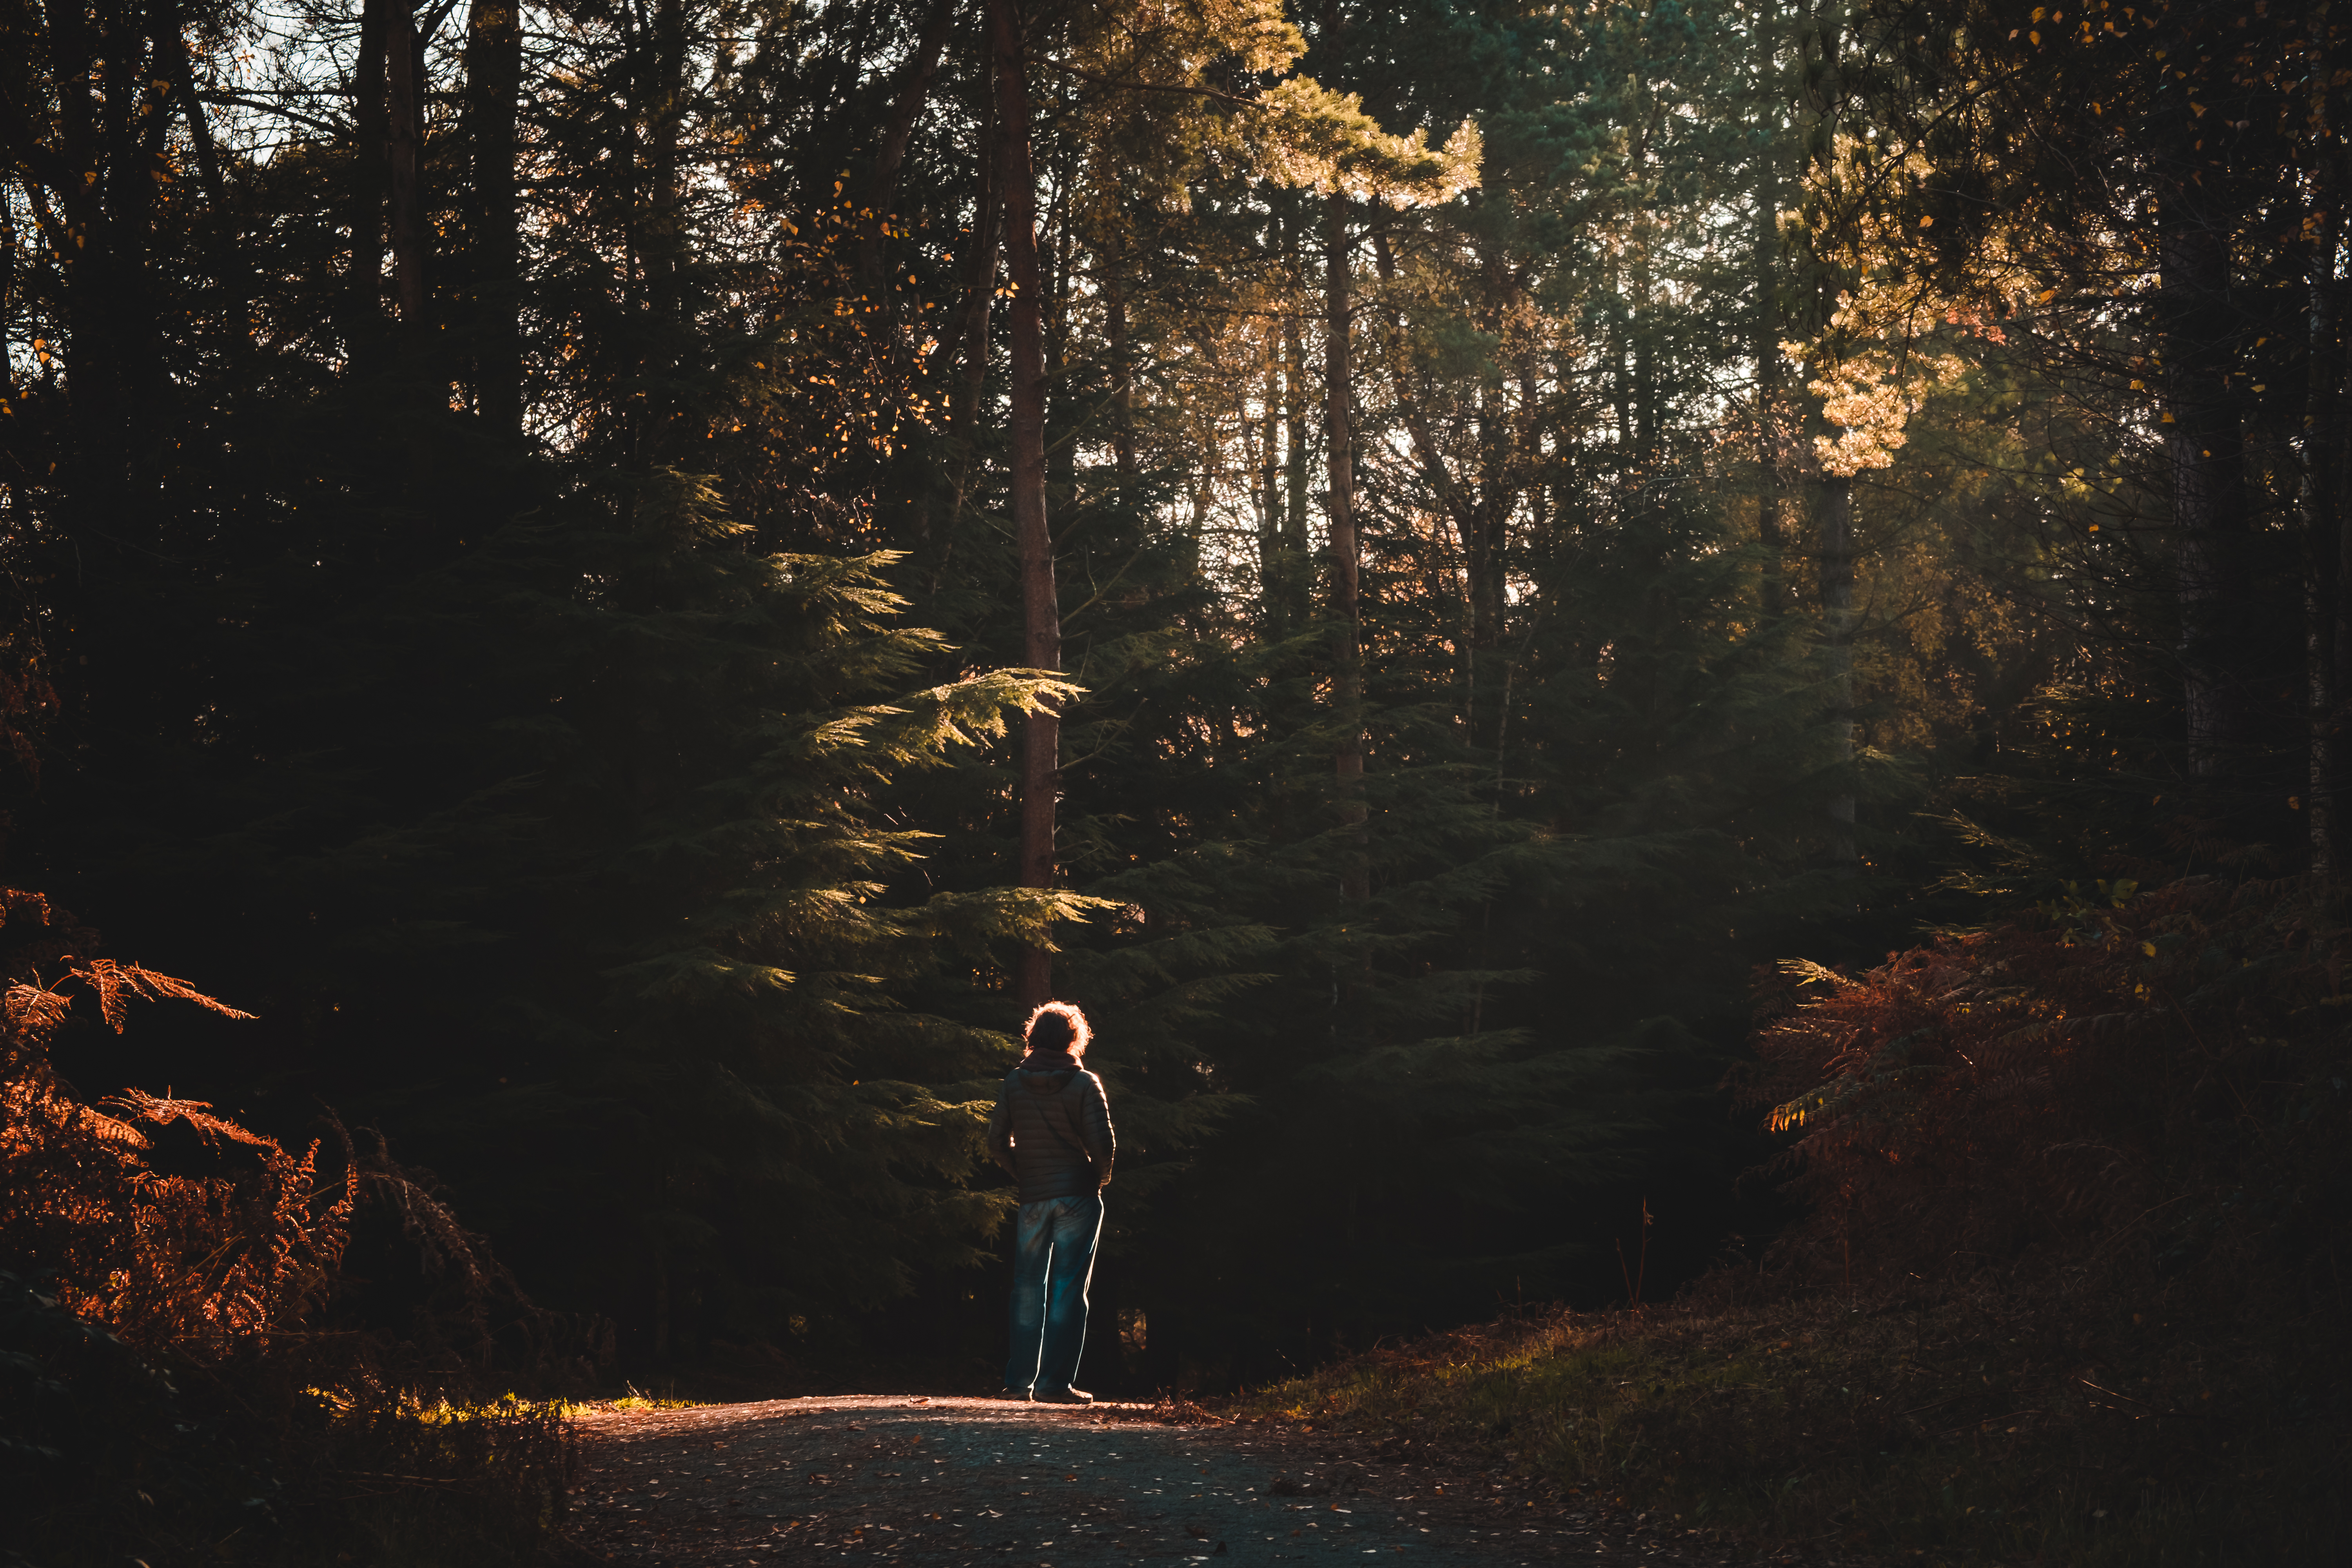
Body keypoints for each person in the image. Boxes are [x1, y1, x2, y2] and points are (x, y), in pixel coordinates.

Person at [987, 1000, 1114, 1403]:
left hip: (1033, 1197)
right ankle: (1054, 1385)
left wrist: (1022, 1172)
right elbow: (1103, 1145)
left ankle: (1018, 1383)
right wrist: (1099, 1178)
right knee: (1068, 1289)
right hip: (1078, 1196)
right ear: (1073, 1039)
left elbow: (995, 1142)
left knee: (1026, 1288)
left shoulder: (1013, 1082)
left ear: (1033, 1037)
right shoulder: (1085, 1083)